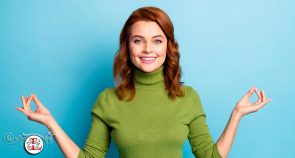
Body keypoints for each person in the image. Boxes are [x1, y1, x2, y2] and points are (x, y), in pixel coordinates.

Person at [16, 6, 271, 158]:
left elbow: (209, 157)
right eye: (138, 40)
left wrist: (237, 114)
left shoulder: (188, 97)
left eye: (157, 40)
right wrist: (50, 122)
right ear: (127, 46)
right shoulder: (108, 99)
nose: (148, 49)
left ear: (169, 46)